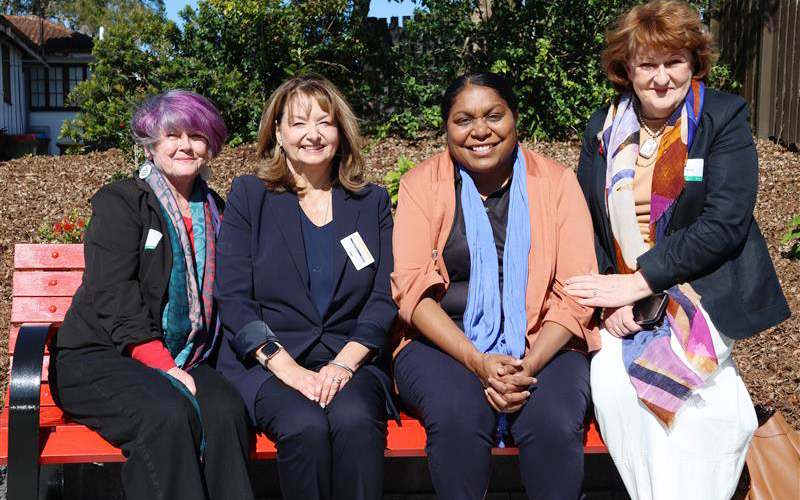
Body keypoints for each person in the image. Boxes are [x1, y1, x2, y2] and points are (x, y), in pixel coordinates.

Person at [566, 2, 791, 500]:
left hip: (706, 286)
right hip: (627, 295)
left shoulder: (722, 117)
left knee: (688, 402)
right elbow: (594, 223)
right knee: (613, 384)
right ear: (625, 68)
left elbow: (724, 224)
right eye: (648, 64)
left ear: (694, 62)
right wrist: (614, 300)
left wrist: (640, 283)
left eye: (675, 62)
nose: (662, 77)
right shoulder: (602, 128)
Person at [390, 71, 600, 500]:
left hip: (546, 340)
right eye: (463, 120)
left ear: (515, 119)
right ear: (446, 128)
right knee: (458, 416)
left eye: (493, 116)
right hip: (442, 342)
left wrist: (530, 364)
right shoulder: (421, 185)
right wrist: (477, 360)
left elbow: (577, 289)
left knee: (552, 421)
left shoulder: (557, 183)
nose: (480, 131)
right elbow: (411, 290)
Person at [49, 90, 255, 500]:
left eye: (196, 135)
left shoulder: (216, 208)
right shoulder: (122, 202)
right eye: (172, 135)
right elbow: (114, 292)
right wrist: (163, 366)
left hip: (188, 355)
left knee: (228, 413)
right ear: (151, 143)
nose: (185, 145)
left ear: (209, 144)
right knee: (166, 414)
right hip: (99, 356)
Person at [214, 74, 396, 500]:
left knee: (354, 423)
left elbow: (383, 297)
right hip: (270, 363)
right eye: (298, 123)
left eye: (325, 122)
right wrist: (291, 371)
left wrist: (343, 365)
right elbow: (235, 299)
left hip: (349, 360)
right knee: (305, 427)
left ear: (341, 132)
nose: (312, 134)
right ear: (277, 131)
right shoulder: (250, 196)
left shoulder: (371, 202)